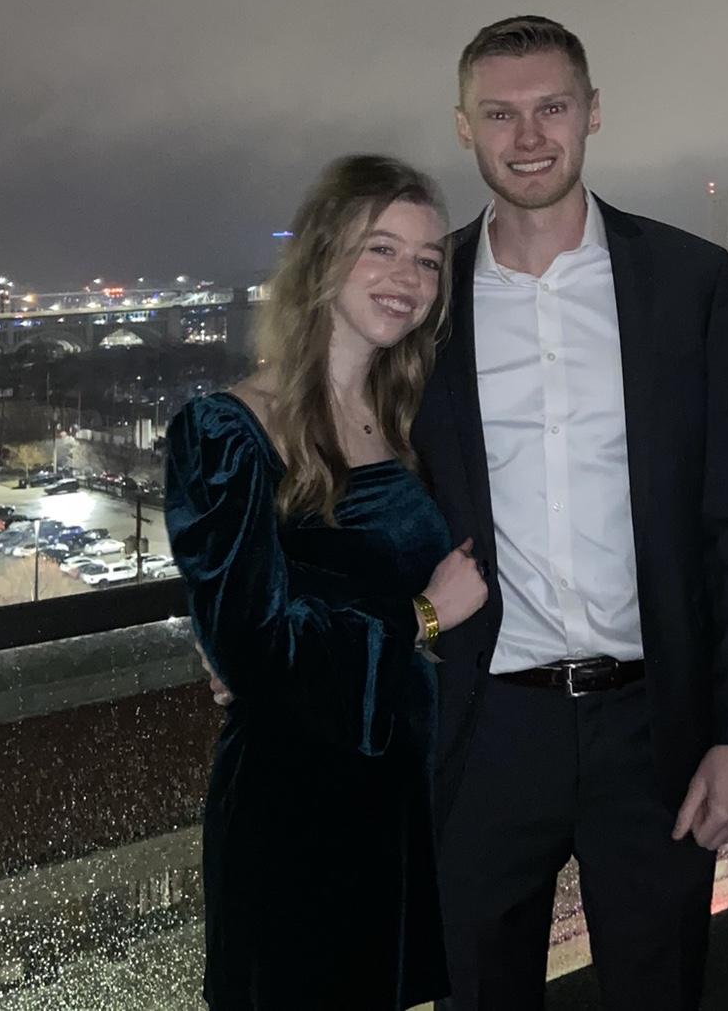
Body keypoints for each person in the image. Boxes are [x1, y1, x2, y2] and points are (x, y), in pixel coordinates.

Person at [413, 17, 728, 1009]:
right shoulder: (423, 297)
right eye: (500, 114)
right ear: (463, 127)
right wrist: (263, 624)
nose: (529, 136)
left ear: (593, 113)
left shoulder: (686, 280)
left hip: (655, 729)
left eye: (552, 108)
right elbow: (340, 465)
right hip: (483, 729)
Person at [165, 155, 488, 1010]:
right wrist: (423, 616)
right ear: (322, 257)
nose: (407, 277)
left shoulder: (406, 419)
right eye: (381, 248)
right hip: (296, 800)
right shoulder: (228, 430)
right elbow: (255, 648)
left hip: (397, 789)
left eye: (426, 260)